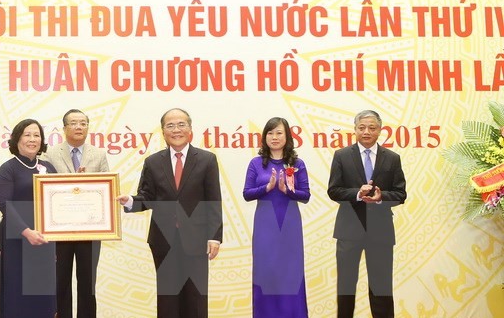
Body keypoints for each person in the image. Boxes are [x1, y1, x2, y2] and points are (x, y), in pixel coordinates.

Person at [117, 108, 223, 318]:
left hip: (196, 239)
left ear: (190, 129)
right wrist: (129, 201)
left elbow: (213, 201)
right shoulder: (153, 162)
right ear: (163, 131)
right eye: (170, 125)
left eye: (181, 124)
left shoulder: (206, 159)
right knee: (168, 299)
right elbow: (147, 197)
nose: (176, 130)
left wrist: (215, 237)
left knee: (196, 298)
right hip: (163, 240)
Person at [327, 110, 407, 318]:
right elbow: (333, 191)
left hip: (380, 232)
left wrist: (380, 197)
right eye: (361, 127)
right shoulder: (342, 156)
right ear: (355, 130)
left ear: (380, 130)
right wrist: (357, 194)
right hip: (348, 230)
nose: (366, 132)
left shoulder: (392, 158)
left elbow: (401, 194)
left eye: (372, 128)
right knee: (345, 287)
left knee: (381, 287)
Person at [40, 109, 109, 318]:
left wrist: (87, 184)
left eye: (83, 123)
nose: (79, 127)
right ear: (64, 128)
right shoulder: (49, 154)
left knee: (88, 283)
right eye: (74, 123)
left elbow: (107, 190)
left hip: (90, 230)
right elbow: (44, 190)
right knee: (60, 281)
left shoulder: (98, 154)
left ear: (88, 127)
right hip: (59, 231)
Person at [243, 117, 311, 318]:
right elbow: (247, 194)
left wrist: (287, 190)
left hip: (289, 225)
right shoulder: (256, 163)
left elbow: (305, 195)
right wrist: (268, 187)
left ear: (287, 136)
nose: (274, 137)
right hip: (265, 226)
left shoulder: (297, 163)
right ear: (265, 137)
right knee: (266, 274)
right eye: (270, 133)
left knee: (290, 274)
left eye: (279, 133)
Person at [0, 118, 57, 317]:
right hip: (17, 237)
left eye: (36, 135)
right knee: (17, 290)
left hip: (44, 239)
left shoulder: (49, 167)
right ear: (17, 140)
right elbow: (5, 205)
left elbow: (58, 203)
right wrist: (26, 232)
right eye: (27, 135)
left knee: (43, 292)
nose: (32, 139)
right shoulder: (8, 168)